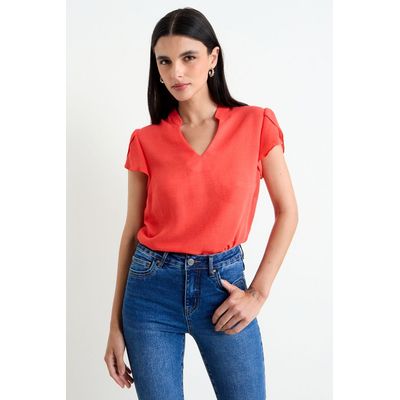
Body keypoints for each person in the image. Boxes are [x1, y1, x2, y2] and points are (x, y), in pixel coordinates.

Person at [104, 7, 298, 400]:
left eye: (188, 57)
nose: (176, 72)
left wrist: (258, 293)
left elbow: (288, 212)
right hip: (150, 292)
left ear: (213, 58)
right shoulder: (146, 140)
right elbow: (131, 232)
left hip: (223, 289)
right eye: (165, 61)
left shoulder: (256, 124)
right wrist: (114, 326)